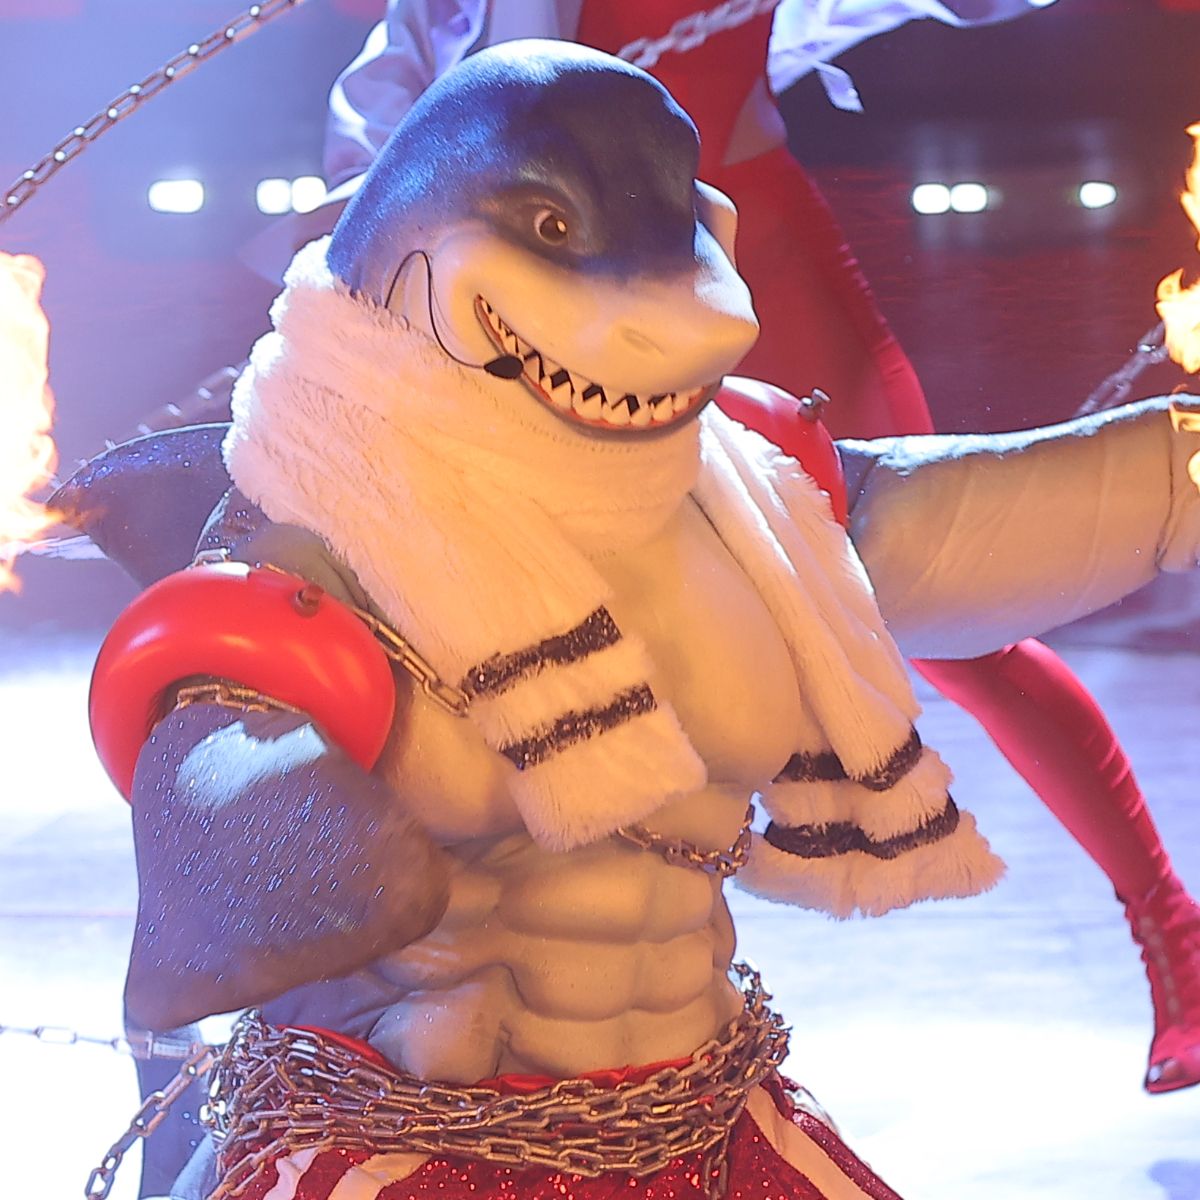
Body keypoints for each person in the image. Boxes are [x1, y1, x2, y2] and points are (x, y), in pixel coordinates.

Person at [72, 43, 1200, 1199]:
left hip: (696, 1117)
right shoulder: (314, 533)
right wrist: (291, 835)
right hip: (397, 1144)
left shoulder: (750, 503)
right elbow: (212, 854)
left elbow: (1000, 524)